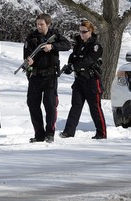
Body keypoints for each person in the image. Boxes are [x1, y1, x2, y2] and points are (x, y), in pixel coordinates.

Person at [24, 14, 71, 143]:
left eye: (42, 24)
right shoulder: (31, 37)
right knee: (33, 104)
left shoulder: (55, 36)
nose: (39, 27)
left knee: (50, 105)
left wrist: (53, 47)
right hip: (35, 76)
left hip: (50, 76)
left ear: (48, 24)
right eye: (37, 24)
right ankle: (39, 134)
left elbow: (67, 45)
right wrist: (29, 61)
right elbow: (26, 55)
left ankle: (50, 133)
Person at [60, 20, 107, 139]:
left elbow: (88, 61)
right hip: (79, 80)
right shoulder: (78, 44)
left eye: (84, 32)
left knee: (95, 107)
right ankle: (68, 132)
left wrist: (74, 66)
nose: (81, 34)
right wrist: (69, 66)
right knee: (75, 106)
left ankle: (101, 133)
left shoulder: (96, 46)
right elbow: (73, 57)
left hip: (91, 80)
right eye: (80, 31)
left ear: (90, 31)